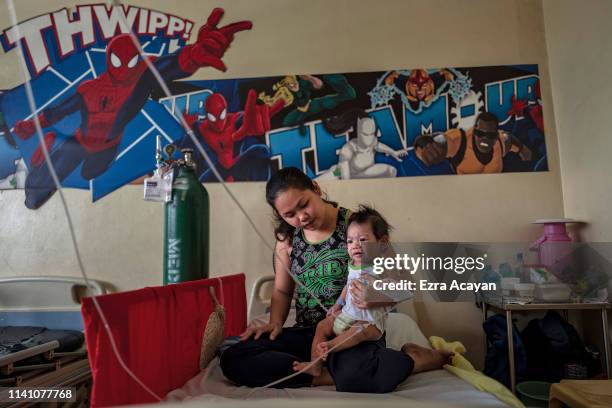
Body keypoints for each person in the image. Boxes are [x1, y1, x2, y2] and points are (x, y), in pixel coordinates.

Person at [220, 167, 452, 392]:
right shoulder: (287, 240)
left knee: (362, 372)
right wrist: (275, 323)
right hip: (310, 334)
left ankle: (415, 359)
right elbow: (282, 291)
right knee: (233, 358)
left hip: (355, 334)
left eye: (304, 204)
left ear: (316, 189)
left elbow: (405, 283)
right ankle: (326, 372)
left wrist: (373, 296)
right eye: (290, 215)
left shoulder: (358, 230)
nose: (301, 217)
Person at [293, 205, 399, 377]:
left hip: (369, 323)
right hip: (347, 313)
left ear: (382, 243)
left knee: (357, 332)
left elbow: (398, 289)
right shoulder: (353, 265)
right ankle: (314, 364)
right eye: (350, 241)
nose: (355, 245)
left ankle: (330, 346)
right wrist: (338, 304)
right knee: (322, 325)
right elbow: (348, 286)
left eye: (363, 240)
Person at [413, 111, 532, 174]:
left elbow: (514, 141)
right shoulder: (459, 142)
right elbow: (436, 141)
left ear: (496, 136)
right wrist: (424, 146)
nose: (485, 139)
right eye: (480, 134)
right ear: (474, 131)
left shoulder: (502, 142)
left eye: (490, 135)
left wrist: (524, 152)